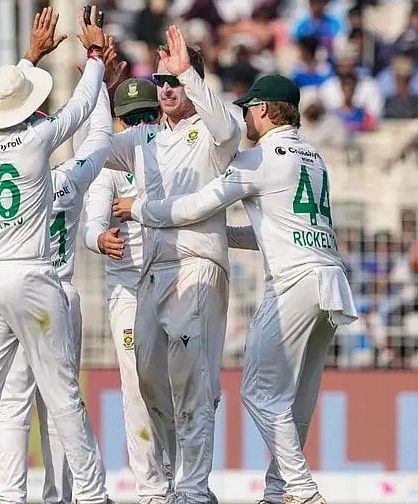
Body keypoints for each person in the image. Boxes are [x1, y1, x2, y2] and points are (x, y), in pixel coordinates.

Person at [114, 74, 358, 504]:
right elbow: (271, 230)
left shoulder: (259, 159)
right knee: (295, 401)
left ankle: (301, 490)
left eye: (248, 109)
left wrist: (140, 208)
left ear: (263, 110)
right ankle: (279, 491)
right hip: (330, 281)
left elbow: (195, 205)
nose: (244, 116)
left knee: (259, 393)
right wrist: (217, 234)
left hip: (293, 283)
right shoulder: (313, 156)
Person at [0, 6, 113, 504]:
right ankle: (91, 495)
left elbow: (5, 105)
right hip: (32, 278)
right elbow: (82, 110)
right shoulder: (36, 141)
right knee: (62, 396)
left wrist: (29, 57)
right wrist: (95, 57)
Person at [104, 25, 241, 504]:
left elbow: (230, 130)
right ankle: (170, 479)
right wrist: (101, 91)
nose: (165, 89)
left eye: (174, 81)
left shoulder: (211, 133)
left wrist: (190, 75)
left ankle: (194, 488)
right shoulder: (144, 139)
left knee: (191, 381)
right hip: (151, 272)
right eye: (160, 81)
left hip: (197, 266)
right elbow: (95, 149)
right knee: (148, 380)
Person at [0, 14, 123, 502]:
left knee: (13, 403)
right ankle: (61, 495)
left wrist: (29, 59)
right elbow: (99, 139)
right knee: (62, 403)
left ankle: (12, 496)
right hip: (57, 293)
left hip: (7, 285)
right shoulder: (67, 180)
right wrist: (100, 83)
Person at [83, 78, 172, 504]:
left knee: (182, 382)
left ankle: (185, 480)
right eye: (131, 118)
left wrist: (139, 207)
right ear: (118, 120)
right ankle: (152, 488)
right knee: (137, 386)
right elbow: (91, 226)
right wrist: (101, 239)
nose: (140, 126)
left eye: (148, 115)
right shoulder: (110, 167)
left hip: (172, 281)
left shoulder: (173, 153)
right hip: (129, 289)